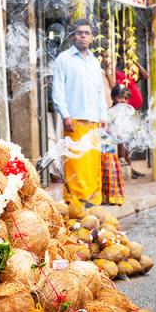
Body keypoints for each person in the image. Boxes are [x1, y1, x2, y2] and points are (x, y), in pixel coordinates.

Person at [52, 19, 107, 206]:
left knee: (92, 162)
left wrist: (103, 116)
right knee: (75, 161)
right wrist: (65, 115)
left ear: (91, 37)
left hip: (93, 120)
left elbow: (100, 92)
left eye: (86, 33)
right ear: (73, 36)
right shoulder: (64, 59)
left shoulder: (94, 62)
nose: (83, 36)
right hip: (73, 119)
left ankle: (93, 200)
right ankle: (75, 201)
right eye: (79, 32)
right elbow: (57, 90)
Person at [101, 85, 129, 205]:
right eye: (119, 97)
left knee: (111, 172)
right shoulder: (107, 114)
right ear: (112, 97)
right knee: (106, 172)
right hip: (104, 148)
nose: (122, 101)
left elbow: (122, 136)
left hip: (110, 149)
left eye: (125, 98)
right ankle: (106, 197)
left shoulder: (122, 115)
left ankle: (112, 197)